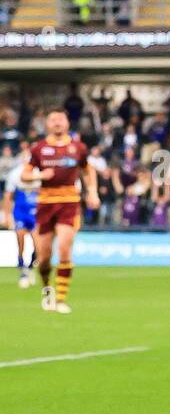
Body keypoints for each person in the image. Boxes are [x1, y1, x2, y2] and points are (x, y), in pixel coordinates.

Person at [24, 111, 99, 312]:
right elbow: (25, 174)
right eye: (53, 119)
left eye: (61, 119)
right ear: (47, 124)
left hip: (69, 202)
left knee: (65, 249)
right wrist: (38, 175)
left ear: (67, 123)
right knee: (44, 257)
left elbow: (88, 169)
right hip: (46, 202)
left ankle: (61, 300)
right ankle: (48, 289)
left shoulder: (78, 147)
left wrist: (92, 192)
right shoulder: (39, 148)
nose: (57, 123)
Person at [1, 145, 37, 287]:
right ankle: (21, 262)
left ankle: (30, 266)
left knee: (38, 244)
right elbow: (8, 196)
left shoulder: (38, 172)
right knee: (21, 238)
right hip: (21, 211)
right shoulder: (15, 174)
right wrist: (6, 215)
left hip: (36, 211)